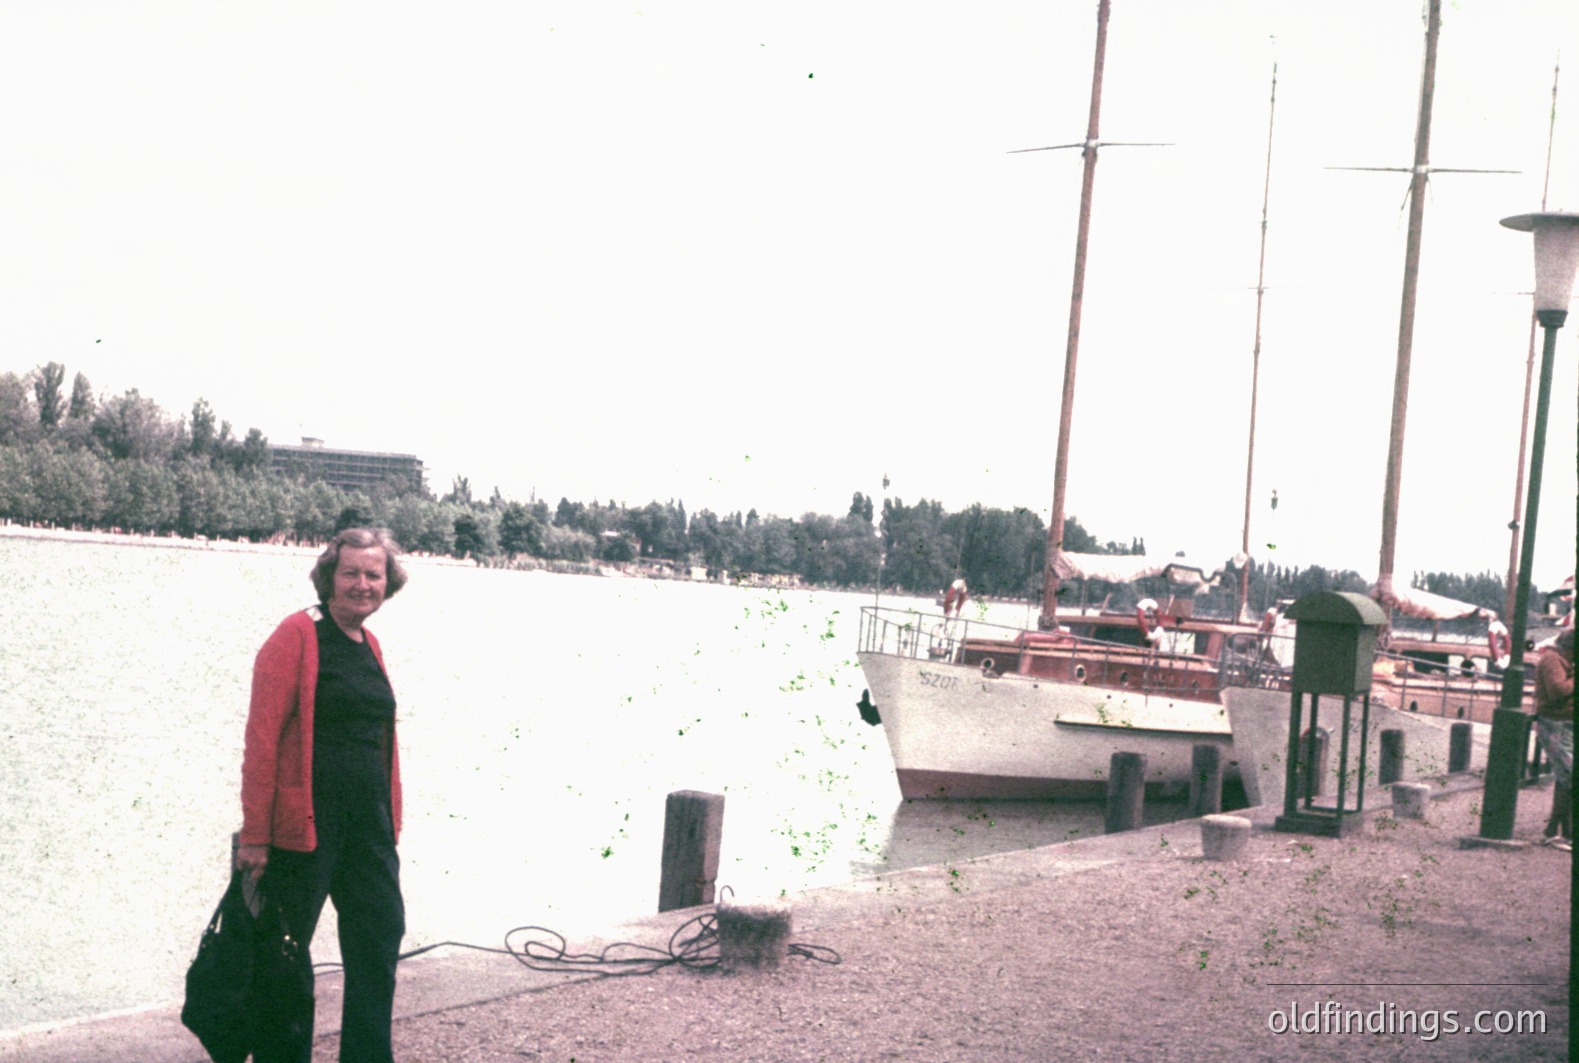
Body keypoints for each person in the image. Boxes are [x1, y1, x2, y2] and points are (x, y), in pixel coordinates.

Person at [236, 527, 410, 1062]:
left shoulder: (370, 643)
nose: (363, 584)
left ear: (389, 582)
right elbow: (261, 741)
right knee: (286, 958)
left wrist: (390, 819)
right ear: (328, 577)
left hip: (368, 828)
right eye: (351, 572)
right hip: (304, 828)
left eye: (373, 574)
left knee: (378, 942)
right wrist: (257, 836)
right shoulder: (296, 634)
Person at [1534, 629, 1574, 848]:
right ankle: (1553, 831)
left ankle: (1560, 832)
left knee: (1565, 778)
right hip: (1555, 724)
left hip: (1567, 724)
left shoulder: (1564, 661)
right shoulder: (1552, 660)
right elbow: (1557, 690)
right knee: (1570, 776)